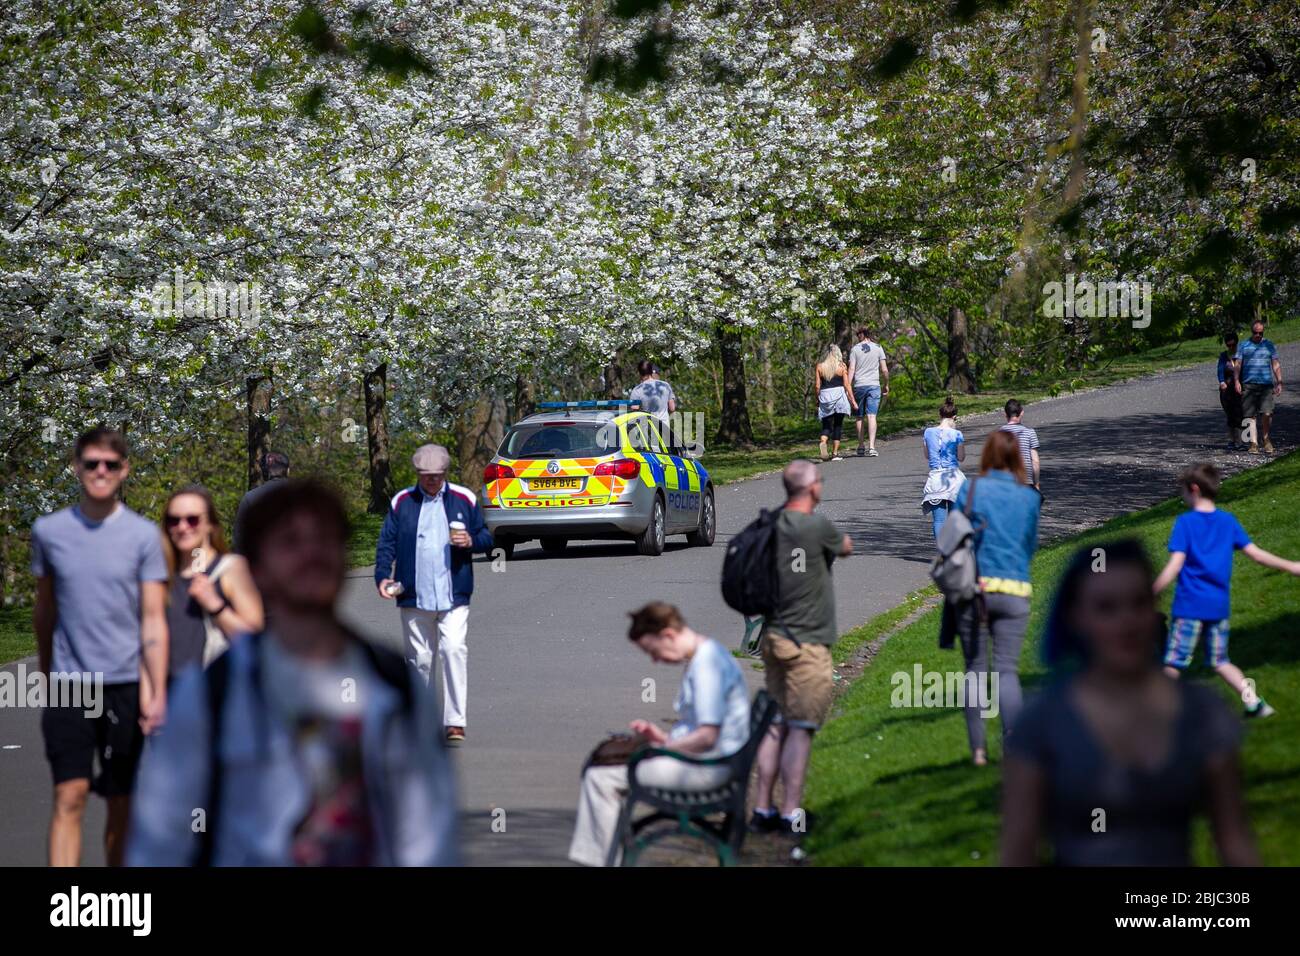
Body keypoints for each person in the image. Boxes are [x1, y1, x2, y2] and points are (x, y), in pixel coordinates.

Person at [127, 480, 458, 866]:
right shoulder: (208, 694)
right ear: (259, 569)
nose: (310, 553)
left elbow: (430, 837)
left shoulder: (395, 685)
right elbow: (160, 841)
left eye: (323, 538)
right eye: (290, 541)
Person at [1002, 540, 1259, 866]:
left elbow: (1234, 839)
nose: (1127, 622)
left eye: (1138, 603)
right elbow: (1018, 852)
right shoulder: (1042, 721)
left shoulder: (1202, 712)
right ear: (1075, 618)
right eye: (1106, 608)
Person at [30, 427, 169, 866]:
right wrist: (48, 675)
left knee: (120, 799)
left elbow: (152, 619)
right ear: (77, 467)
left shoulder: (143, 536)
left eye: (111, 464)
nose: (101, 472)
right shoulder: (49, 532)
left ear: (124, 469)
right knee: (68, 794)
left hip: (126, 683)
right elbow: (44, 609)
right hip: (73, 684)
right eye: (92, 463)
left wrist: (155, 689)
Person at [568, 602, 750, 867]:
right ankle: (605, 858)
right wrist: (661, 737)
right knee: (605, 769)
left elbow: (708, 735)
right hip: (712, 762)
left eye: (652, 651)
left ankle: (603, 862)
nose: (655, 661)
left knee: (600, 776)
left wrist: (666, 746)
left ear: (668, 635)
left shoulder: (707, 666)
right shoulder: (707, 656)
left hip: (706, 770)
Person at [751, 460, 852, 834]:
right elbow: (845, 547)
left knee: (776, 724)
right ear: (811, 488)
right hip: (808, 642)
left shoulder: (771, 524)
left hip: (774, 637)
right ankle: (791, 813)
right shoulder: (817, 526)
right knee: (801, 727)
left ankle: (761, 807)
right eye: (820, 482)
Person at [1153, 462, 1300, 718]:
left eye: (1183, 492)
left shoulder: (1186, 523)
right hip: (1218, 606)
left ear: (1194, 489)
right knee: (1220, 662)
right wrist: (1292, 566)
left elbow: (1175, 565)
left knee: (1174, 661)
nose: (1183, 497)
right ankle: (1255, 703)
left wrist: (1150, 592)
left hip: (1189, 606)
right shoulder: (1227, 521)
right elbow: (1257, 555)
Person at [375, 443, 494, 746]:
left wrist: (470, 540)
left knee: (454, 649)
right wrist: (382, 576)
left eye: (437, 475)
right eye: (426, 475)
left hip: (454, 594)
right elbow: (386, 541)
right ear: (417, 473)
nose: (431, 480)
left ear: (445, 473)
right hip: (413, 594)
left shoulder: (464, 499)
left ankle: (455, 723)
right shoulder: (402, 502)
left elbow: (486, 537)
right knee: (420, 660)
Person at [951, 430, 1041, 766]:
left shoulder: (971, 489)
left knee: (975, 670)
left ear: (987, 455)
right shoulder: (1029, 497)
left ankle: (977, 751)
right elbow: (1030, 544)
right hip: (1015, 590)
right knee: (1006, 671)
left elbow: (954, 535)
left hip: (975, 590)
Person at [160, 484, 263, 679]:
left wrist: (216, 606)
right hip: (170, 693)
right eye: (174, 521)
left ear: (210, 525)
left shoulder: (231, 568)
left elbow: (255, 640)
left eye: (192, 520)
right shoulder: (161, 574)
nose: (183, 527)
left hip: (214, 692)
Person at [920, 398, 966, 539]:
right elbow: (961, 457)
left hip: (935, 479)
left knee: (939, 520)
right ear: (954, 417)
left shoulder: (928, 432)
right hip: (953, 478)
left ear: (940, 416)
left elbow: (927, 455)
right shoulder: (956, 434)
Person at [1235, 320, 1283, 454]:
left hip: (1266, 384)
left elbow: (1275, 364)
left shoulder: (1269, 345)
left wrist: (1279, 381)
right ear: (1251, 332)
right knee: (1250, 415)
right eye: (1255, 333)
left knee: (1267, 412)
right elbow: (1238, 365)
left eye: (1260, 333)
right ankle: (1253, 443)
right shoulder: (1244, 345)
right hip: (1248, 384)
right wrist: (1236, 381)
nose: (1258, 335)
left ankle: (1266, 439)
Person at [233, 451, 290, 553]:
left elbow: (240, 540)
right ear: (288, 471)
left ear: (264, 473)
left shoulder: (250, 498)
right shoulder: (305, 496)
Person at [847, 327, 889, 457]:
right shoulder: (878, 347)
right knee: (872, 416)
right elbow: (884, 370)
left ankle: (861, 446)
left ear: (862, 334)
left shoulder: (854, 349)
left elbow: (851, 369)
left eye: (858, 334)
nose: (857, 337)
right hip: (874, 385)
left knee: (859, 417)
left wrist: (847, 387)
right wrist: (886, 384)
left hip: (859, 385)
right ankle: (871, 447)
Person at [815, 344, 856, 461]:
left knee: (826, 424)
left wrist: (817, 398)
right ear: (838, 353)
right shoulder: (842, 366)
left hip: (825, 396)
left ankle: (823, 441)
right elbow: (847, 385)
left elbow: (817, 386)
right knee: (838, 424)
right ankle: (835, 453)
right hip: (839, 396)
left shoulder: (820, 366)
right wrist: (852, 400)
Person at [999, 399, 1040, 489]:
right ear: (1022, 413)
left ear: (1005, 414)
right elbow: (1035, 461)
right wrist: (1036, 483)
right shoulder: (1030, 432)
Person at [627, 360, 677, 427]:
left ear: (639, 373)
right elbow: (672, 408)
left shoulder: (637, 390)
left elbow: (634, 410)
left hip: (647, 429)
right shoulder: (665, 385)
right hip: (665, 428)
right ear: (651, 371)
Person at [1217, 331, 1244, 450]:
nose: (1231, 347)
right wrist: (1222, 381)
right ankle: (1232, 440)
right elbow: (1220, 370)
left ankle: (1243, 441)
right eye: (1229, 345)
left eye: (1233, 345)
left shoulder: (1242, 354)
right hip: (1227, 389)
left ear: (1237, 343)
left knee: (1242, 415)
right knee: (1231, 415)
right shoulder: (1224, 356)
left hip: (1240, 388)